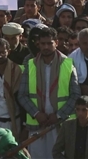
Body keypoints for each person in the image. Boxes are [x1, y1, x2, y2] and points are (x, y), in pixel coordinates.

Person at [18, 26, 81, 157]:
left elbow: (75, 95)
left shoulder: (68, 63)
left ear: (56, 43)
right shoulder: (30, 64)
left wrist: (57, 115)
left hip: (60, 123)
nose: (46, 47)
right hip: (37, 124)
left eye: (49, 43)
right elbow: (22, 95)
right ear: (38, 44)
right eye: (43, 44)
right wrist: (36, 114)